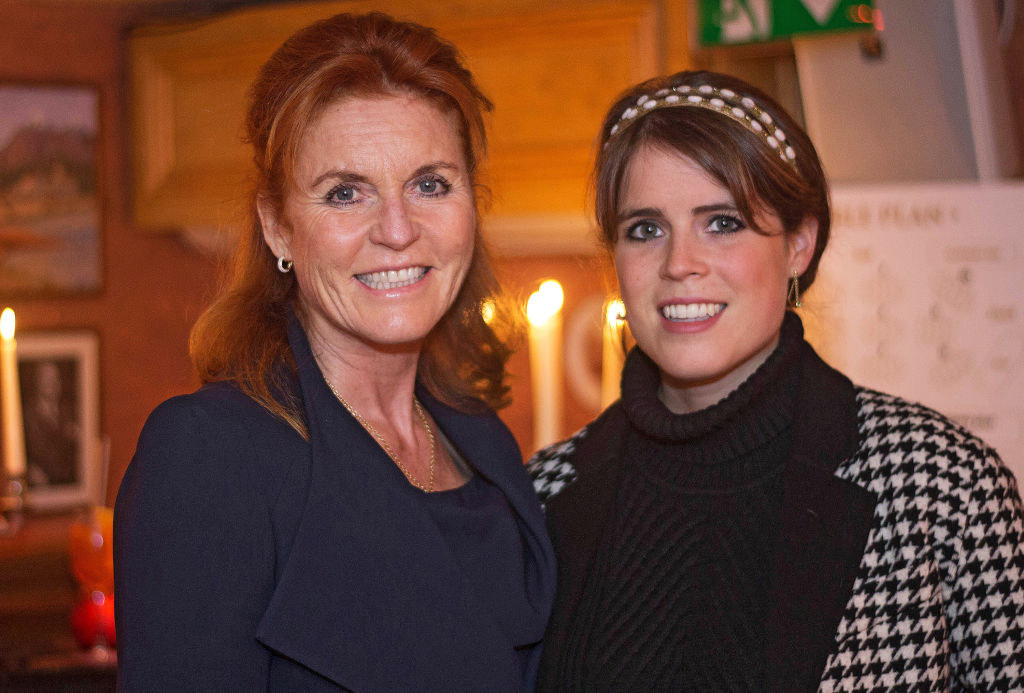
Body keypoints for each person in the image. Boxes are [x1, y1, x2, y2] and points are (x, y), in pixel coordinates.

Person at [528, 70, 1024, 691]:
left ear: (799, 245)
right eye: (645, 230)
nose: (680, 264)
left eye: (723, 222)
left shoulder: (943, 484)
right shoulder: (540, 499)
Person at [114, 12, 555, 691]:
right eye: (346, 193)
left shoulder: (487, 444)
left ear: (474, 203)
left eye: (431, 183)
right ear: (277, 226)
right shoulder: (210, 456)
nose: (398, 229)